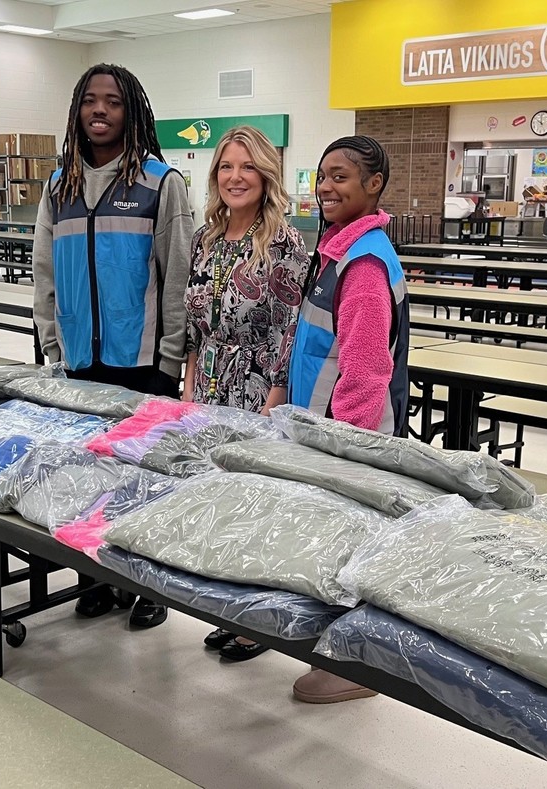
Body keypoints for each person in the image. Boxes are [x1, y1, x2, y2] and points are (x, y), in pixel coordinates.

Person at [33, 63, 193, 629]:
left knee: (142, 478)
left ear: (132, 113)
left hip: (143, 361)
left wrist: (171, 357)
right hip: (80, 361)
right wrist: (54, 345)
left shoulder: (160, 183)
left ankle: (148, 587)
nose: (100, 111)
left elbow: (177, 275)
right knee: (87, 475)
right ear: (77, 110)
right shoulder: (59, 187)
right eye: (90, 101)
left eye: (113, 102)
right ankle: (96, 576)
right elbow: (44, 273)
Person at [287, 135, 409, 703]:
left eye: (340, 177)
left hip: (349, 438)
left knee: (349, 551)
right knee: (335, 548)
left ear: (373, 185)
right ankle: (342, 658)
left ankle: (356, 671)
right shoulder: (341, 249)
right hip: (322, 429)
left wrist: (345, 451)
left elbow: (363, 371)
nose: (325, 187)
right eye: (321, 176)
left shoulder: (361, 262)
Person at [183, 126, 311, 661]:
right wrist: (188, 387)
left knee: (257, 504)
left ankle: (259, 621)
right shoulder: (205, 237)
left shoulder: (283, 242)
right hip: (209, 380)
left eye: (248, 167)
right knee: (218, 500)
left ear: (266, 175)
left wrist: (275, 397)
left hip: (257, 384)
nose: (236, 177)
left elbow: (288, 328)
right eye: (226, 167)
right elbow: (193, 325)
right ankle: (227, 607)